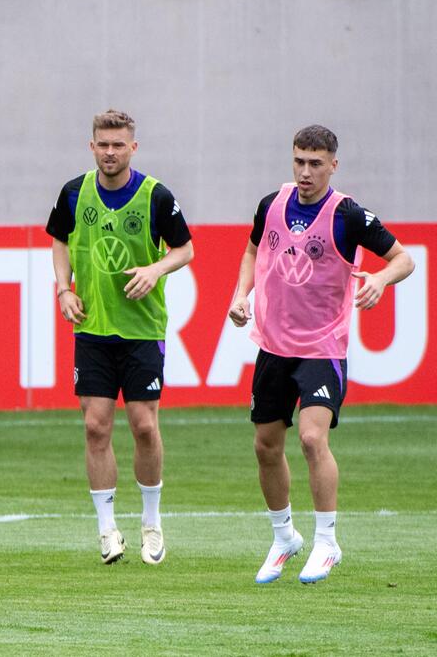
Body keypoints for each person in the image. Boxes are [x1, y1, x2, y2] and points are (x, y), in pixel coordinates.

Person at [228, 125, 415, 584]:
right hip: (273, 346)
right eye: (299, 161)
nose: (305, 172)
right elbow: (253, 250)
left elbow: (403, 259)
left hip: (322, 348)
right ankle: (283, 537)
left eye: (315, 163)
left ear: (334, 164)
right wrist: (240, 294)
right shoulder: (271, 204)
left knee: (312, 439)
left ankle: (327, 542)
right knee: (265, 445)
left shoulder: (347, 214)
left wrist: (379, 279)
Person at [47, 110, 194, 566]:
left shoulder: (155, 196)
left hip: (141, 329)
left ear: (133, 147)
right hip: (92, 328)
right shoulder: (74, 192)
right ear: (91, 147)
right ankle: (106, 528)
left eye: (119, 145)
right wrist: (64, 288)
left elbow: (185, 249)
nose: (110, 152)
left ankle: (151, 521)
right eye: (102, 144)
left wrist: (155, 269)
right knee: (95, 426)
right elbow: (60, 240)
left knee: (144, 425)